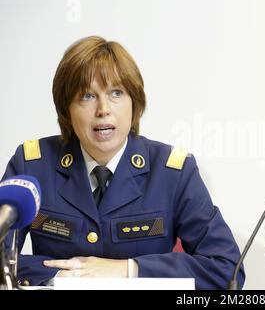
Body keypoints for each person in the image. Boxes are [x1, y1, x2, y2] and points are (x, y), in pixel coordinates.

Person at [1, 36, 245, 289]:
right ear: (67, 109)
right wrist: (61, 276)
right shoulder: (33, 165)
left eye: (116, 93)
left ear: (134, 103)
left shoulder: (172, 172)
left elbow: (226, 269)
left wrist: (128, 270)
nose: (103, 109)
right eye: (87, 96)